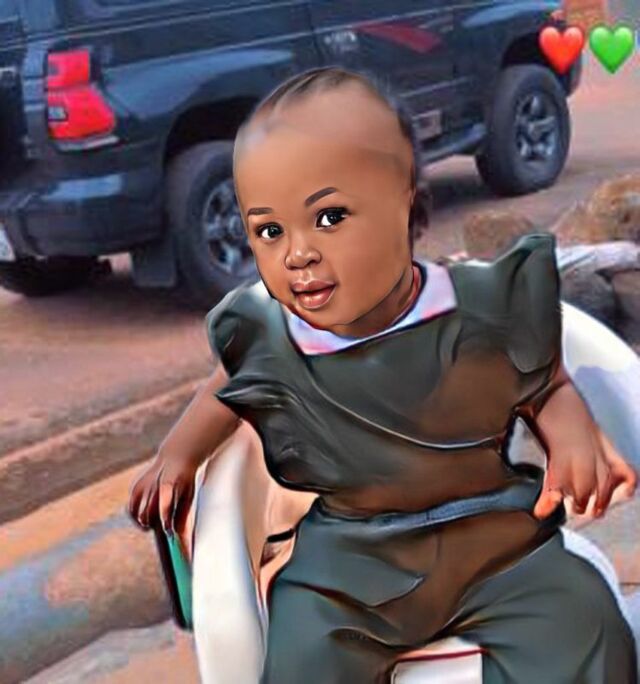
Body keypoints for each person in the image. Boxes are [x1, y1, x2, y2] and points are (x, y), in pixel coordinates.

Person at [128, 66, 638, 683]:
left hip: (494, 540)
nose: (298, 253)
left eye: (328, 217)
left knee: (585, 621)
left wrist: (573, 437)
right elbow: (227, 389)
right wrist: (179, 455)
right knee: (302, 655)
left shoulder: (480, 305)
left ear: (404, 203)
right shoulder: (271, 334)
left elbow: (544, 381)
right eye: (269, 230)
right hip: (349, 563)